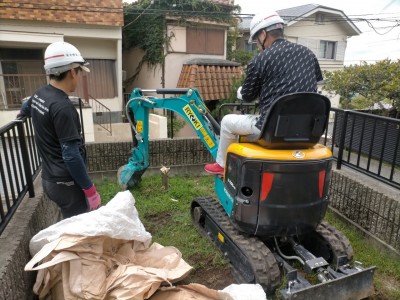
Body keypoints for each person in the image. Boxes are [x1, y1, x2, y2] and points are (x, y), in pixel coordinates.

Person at [205, 11, 323, 175]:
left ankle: (222, 165)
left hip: (272, 129)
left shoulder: (260, 60)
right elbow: (308, 85)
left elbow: (247, 96)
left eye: (256, 40)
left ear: (263, 33)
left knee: (226, 121)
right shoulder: (308, 54)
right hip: (307, 131)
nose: (258, 45)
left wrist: (241, 91)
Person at [18, 41, 101, 218]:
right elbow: (71, 155)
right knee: (78, 231)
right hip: (66, 184)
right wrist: (90, 189)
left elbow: (27, 106)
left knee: (67, 223)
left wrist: (21, 115)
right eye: (79, 73)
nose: (79, 78)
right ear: (72, 72)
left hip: (49, 179)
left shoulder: (40, 94)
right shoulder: (63, 107)